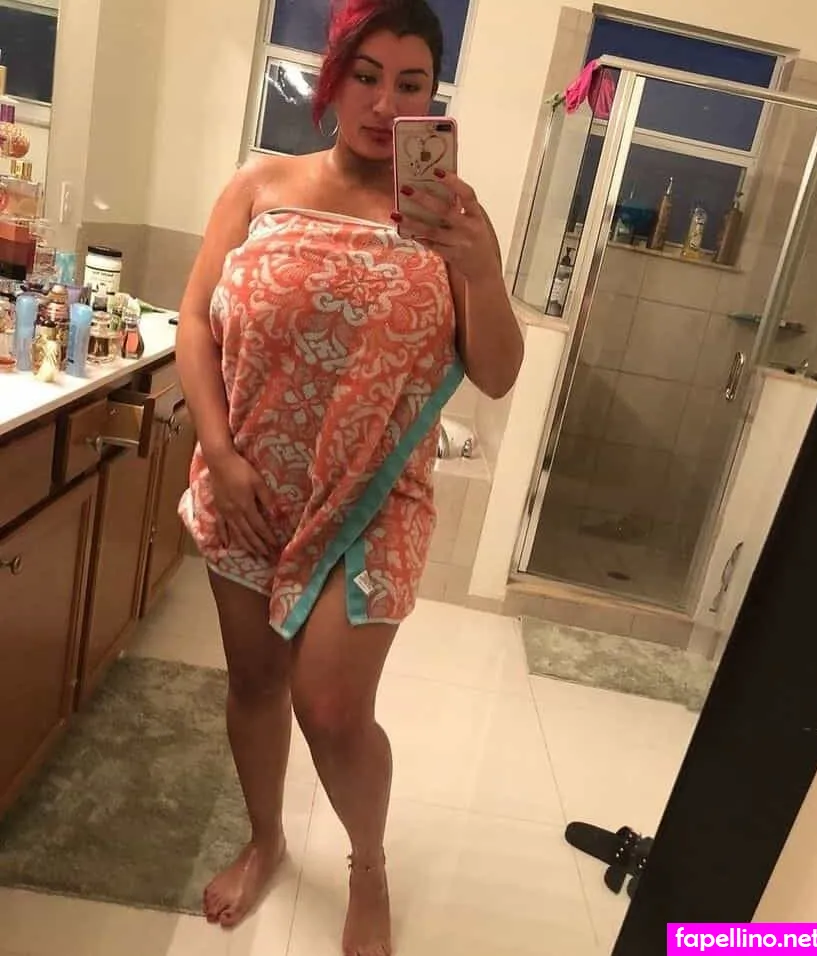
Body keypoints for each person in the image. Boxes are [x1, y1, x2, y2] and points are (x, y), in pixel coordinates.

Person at [175, 0, 524, 952]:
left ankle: (368, 865)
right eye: (365, 76)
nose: (383, 104)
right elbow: (195, 322)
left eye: (411, 84)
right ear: (333, 79)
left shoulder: (453, 221)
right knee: (254, 681)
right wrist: (221, 455)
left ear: (433, 98)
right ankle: (266, 840)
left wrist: (483, 272)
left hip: (374, 500)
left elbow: (496, 373)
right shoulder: (259, 186)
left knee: (330, 709)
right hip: (251, 486)